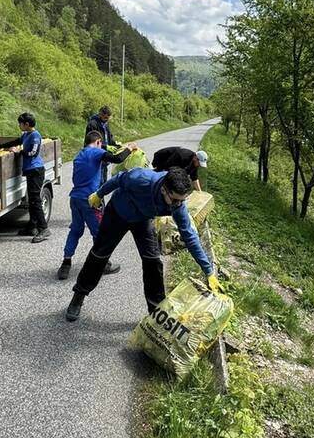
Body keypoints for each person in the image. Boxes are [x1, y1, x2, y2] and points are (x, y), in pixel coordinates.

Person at [65, 167, 219, 322]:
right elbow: (118, 179)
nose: (178, 204)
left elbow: (190, 236)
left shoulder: (178, 206)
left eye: (182, 200)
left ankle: (156, 313)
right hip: (117, 214)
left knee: (153, 262)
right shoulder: (140, 179)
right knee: (99, 254)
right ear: (164, 190)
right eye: (175, 200)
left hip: (143, 220)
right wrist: (99, 194)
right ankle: (78, 296)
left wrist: (208, 271)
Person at [60, 131, 139, 280]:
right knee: (100, 233)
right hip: (90, 200)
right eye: (100, 144)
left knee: (75, 230)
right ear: (98, 142)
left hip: (75, 198)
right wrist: (130, 148)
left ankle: (66, 263)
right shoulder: (96, 152)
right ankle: (103, 265)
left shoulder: (79, 154)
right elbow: (117, 159)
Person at [0, 112, 49, 243]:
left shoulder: (35, 136)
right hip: (30, 171)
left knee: (35, 200)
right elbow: (16, 141)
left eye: (20, 123)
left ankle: (43, 228)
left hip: (36, 170)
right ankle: (32, 227)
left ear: (26, 124)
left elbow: (33, 153)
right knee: (31, 200)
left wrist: (18, 151)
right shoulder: (26, 134)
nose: (19, 125)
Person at [85, 106, 117, 183]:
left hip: (104, 156)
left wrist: (115, 144)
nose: (107, 119)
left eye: (108, 118)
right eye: (105, 117)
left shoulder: (105, 123)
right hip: (95, 156)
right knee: (99, 181)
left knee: (104, 180)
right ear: (100, 114)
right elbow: (92, 142)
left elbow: (109, 136)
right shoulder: (92, 124)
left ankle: (102, 189)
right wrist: (106, 147)